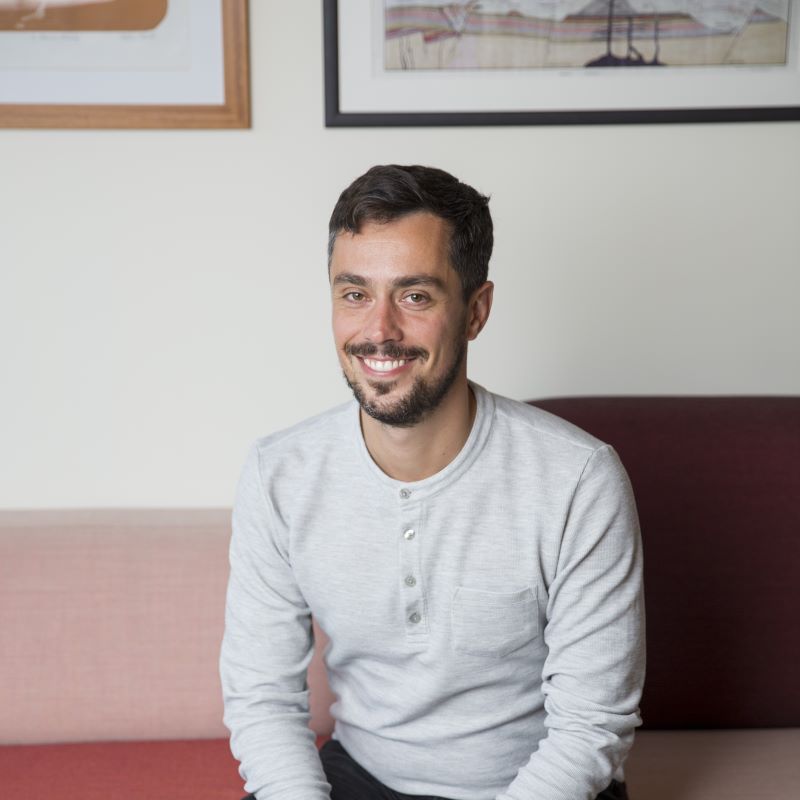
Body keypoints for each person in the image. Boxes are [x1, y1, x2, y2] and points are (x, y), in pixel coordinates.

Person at [220, 165, 645, 800]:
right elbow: (262, 699)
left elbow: (590, 726)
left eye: (415, 296)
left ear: (476, 311)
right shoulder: (278, 473)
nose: (378, 331)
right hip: (361, 776)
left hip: (535, 784)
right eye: (355, 294)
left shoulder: (578, 478)